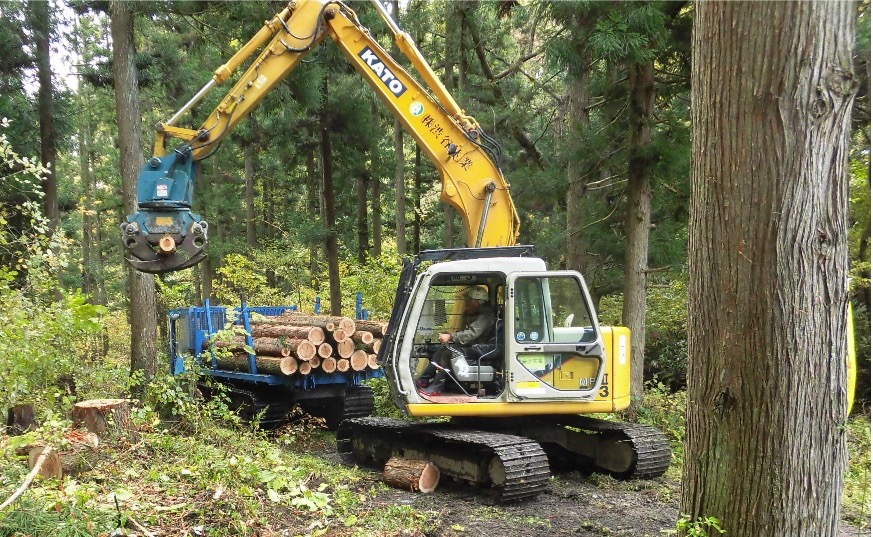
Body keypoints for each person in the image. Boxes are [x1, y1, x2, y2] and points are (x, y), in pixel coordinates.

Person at [418, 286, 495, 396]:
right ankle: (424, 380)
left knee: (448, 353)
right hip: (474, 345)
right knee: (442, 349)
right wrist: (451, 334)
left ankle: (436, 387)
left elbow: (472, 333)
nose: (467, 303)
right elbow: (469, 331)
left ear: (477, 302)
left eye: (469, 301)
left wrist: (451, 337)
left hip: (480, 349)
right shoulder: (477, 313)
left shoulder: (486, 316)